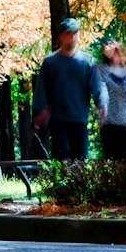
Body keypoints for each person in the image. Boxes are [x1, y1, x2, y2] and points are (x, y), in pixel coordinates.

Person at [32, 18, 95, 161]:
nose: (72, 37)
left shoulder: (87, 61)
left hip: (80, 119)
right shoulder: (50, 62)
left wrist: (102, 103)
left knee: (80, 161)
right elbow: (41, 89)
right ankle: (60, 184)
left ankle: (78, 184)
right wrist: (39, 112)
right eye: (68, 34)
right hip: (58, 120)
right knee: (61, 159)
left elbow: (97, 85)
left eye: (75, 33)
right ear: (61, 36)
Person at [94, 40, 126, 161]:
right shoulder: (102, 69)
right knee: (110, 161)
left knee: (124, 160)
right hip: (109, 122)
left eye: (114, 48)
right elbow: (100, 89)